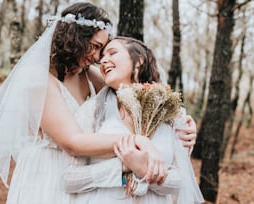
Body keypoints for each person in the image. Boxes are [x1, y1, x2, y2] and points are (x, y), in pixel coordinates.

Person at [0, 2, 197, 204]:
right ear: (76, 37)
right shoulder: (38, 80)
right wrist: (138, 142)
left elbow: (132, 88)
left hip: (85, 174)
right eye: (95, 47)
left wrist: (182, 124)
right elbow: (72, 142)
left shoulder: (87, 75)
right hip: (47, 172)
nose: (97, 57)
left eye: (103, 50)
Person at [63, 36, 204, 204]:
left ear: (139, 61)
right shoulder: (92, 111)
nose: (104, 61)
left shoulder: (171, 113)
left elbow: (180, 182)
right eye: (102, 58)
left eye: (112, 53)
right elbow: (69, 179)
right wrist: (122, 167)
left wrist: (143, 170)